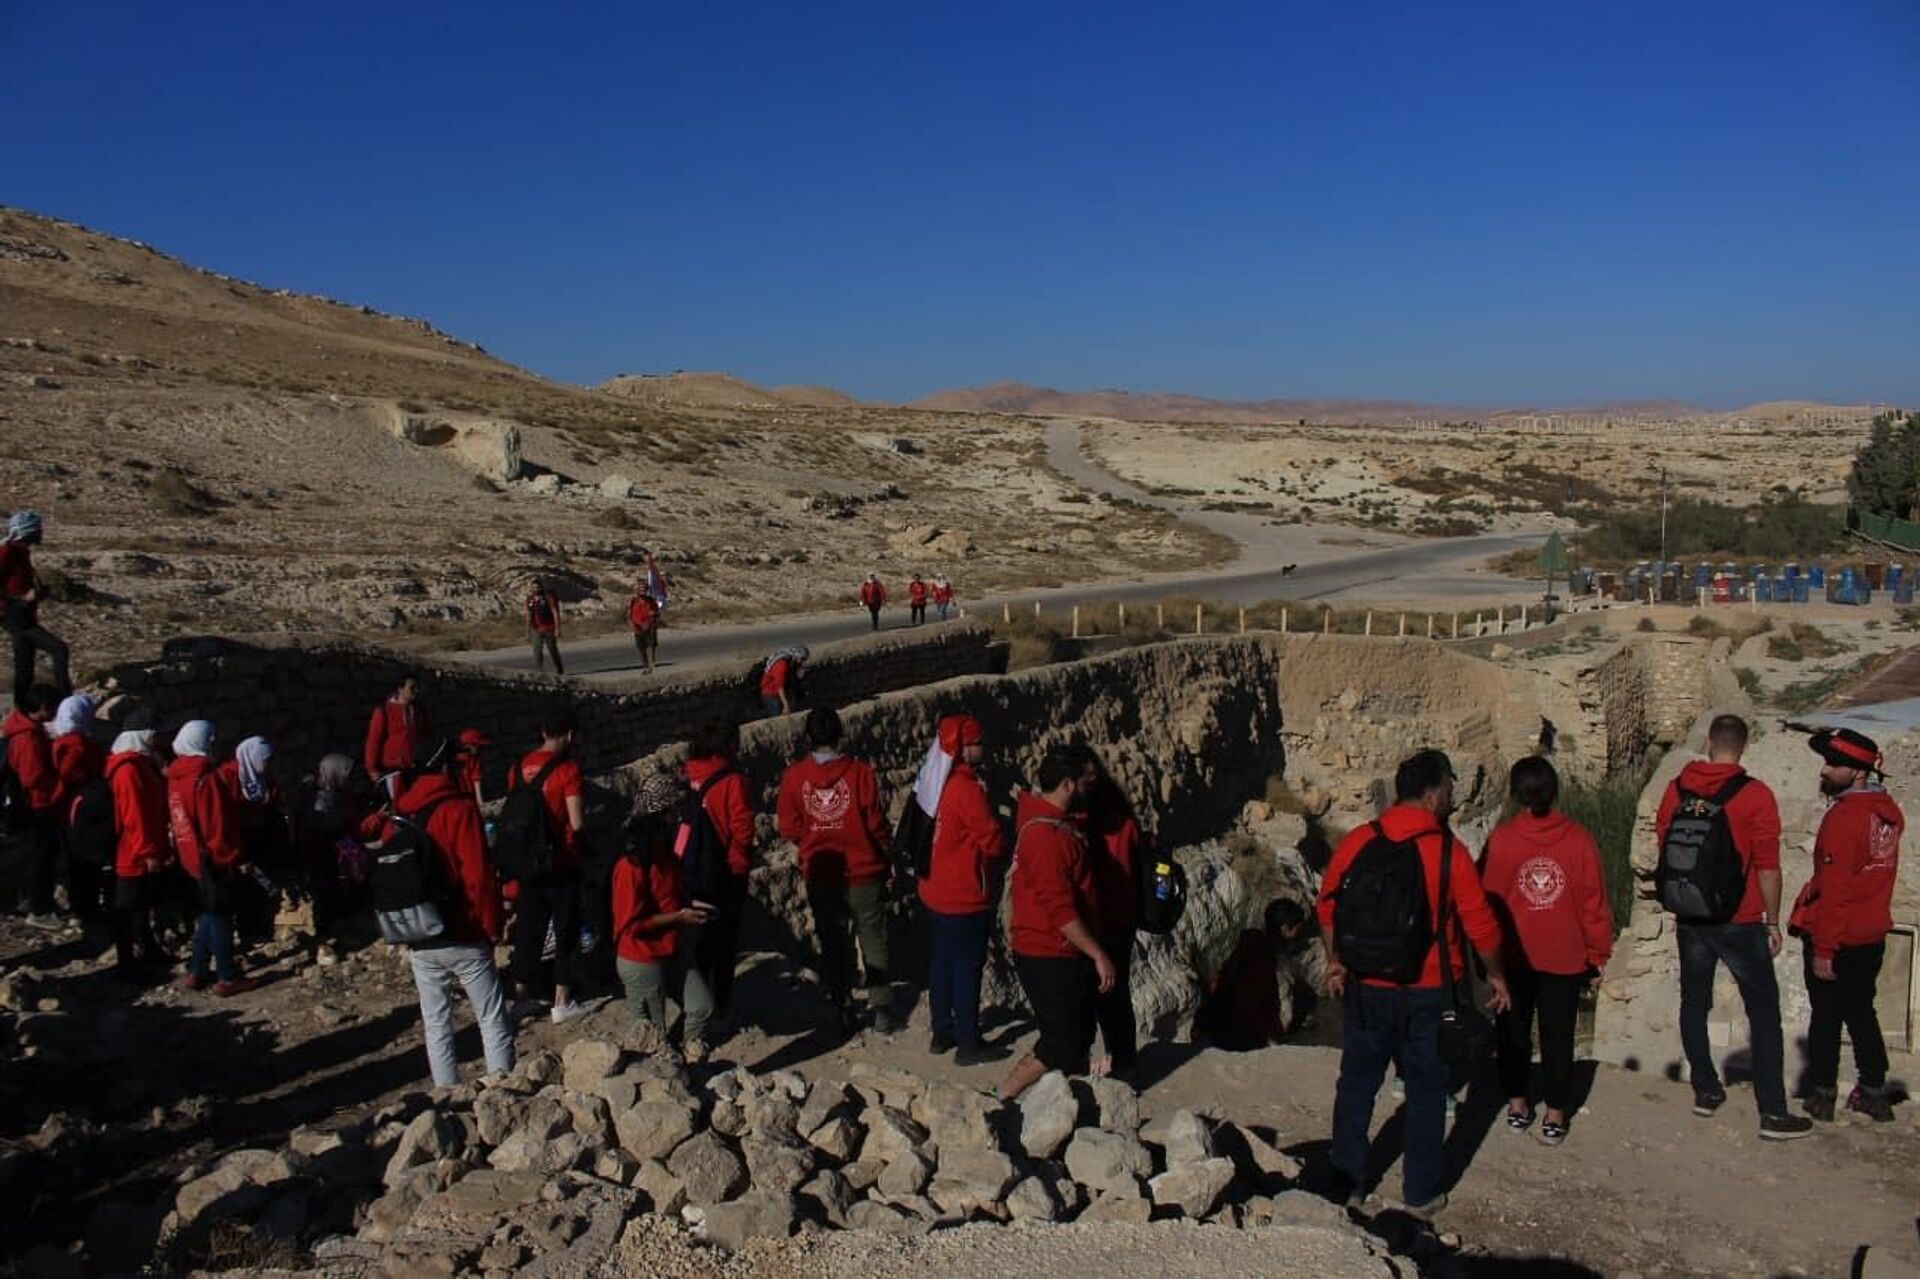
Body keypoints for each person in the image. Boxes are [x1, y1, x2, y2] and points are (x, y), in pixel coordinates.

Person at [1316, 748, 1511, 1218]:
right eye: (1448, 786)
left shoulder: (1360, 840)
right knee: (1426, 1089)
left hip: (1366, 987)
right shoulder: (1446, 851)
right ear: (1430, 794)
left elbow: (1327, 905)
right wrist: (1497, 976)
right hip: (1430, 993)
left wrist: (1335, 960)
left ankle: (1347, 1183)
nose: (1452, 795)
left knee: (1357, 1083)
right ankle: (1420, 1192)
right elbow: (1480, 926)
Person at [1653, 714, 1812, 1140]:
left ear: (1708, 742)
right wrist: (1772, 921)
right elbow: (1768, 866)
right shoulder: (1756, 795)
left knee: (1694, 1003)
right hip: (1739, 920)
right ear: (1744, 747)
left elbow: (1664, 844)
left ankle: (1705, 1089)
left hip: (1690, 917)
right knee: (1762, 1013)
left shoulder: (1676, 789)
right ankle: (1773, 1112)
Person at [1480, 756, 1613, 1146]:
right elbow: (1594, 904)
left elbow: (1487, 901)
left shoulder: (1502, 840)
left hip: (1514, 957)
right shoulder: (1580, 840)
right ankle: (1555, 1113)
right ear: (1555, 791)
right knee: (1559, 1037)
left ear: (1515, 794)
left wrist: (1486, 959)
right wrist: (1598, 953)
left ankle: (1518, 1103)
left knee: (1512, 1032)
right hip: (1565, 956)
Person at [1791, 728, 1905, 1123]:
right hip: (1871, 932)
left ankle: (1823, 1092)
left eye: (1833, 764)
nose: (1824, 770)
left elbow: (1836, 890)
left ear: (1857, 772)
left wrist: (1824, 949)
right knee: (1862, 1012)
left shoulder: (1844, 819)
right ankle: (1874, 1090)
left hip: (1837, 935)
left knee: (1825, 1016)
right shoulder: (1886, 814)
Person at [390, 738, 516, 1087]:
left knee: (436, 1022)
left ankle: (446, 1095)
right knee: (491, 1016)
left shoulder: (402, 815)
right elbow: (477, 875)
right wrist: (493, 925)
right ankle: (501, 1093)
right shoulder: (458, 809)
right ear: (444, 768)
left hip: (418, 931)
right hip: (462, 930)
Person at [1001, 744, 1116, 1099]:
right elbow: (1060, 910)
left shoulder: (1058, 826)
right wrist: (1098, 954)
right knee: (1060, 1040)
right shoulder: (1045, 837)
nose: (1089, 791)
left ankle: (1065, 1100)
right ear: (1068, 784)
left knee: (1079, 1034)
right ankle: (1004, 1094)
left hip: (1064, 949)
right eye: (1085, 783)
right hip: (1047, 950)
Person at [777, 707, 896, 1035]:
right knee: (872, 937)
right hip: (863, 869)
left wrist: (814, 838)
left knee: (833, 940)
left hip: (820, 871)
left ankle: (842, 1004)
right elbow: (876, 823)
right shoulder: (860, 773)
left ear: (808, 738)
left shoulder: (794, 778)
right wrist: (888, 853)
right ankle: (882, 1005)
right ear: (840, 734)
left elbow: (788, 826)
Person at [915, 713, 1006, 1065]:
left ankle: (942, 1031)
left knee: (942, 962)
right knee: (967, 967)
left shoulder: (933, 783)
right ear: (964, 749)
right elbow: (992, 841)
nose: (982, 747)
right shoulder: (966, 790)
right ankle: (969, 1042)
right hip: (963, 894)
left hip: (934, 889)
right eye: (977, 742)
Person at [511, 704, 591, 1023]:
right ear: (570, 735)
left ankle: (520, 995)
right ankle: (562, 999)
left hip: (527, 863)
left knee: (528, 927)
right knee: (565, 928)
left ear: (543, 732)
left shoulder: (518, 767)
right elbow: (577, 822)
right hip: (561, 861)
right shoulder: (567, 770)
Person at [168, 721, 260, 996]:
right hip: (213, 858)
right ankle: (227, 976)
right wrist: (234, 857)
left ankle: (197, 970)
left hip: (190, 854)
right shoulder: (206, 780)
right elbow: (217, 826)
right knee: (221, 915)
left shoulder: (175, 776)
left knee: (208, 912)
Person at [613, 773, 708, 1036]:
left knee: (701, 1006)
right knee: (652, 1035)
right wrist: (679, 917)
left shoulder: (664, 853)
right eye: (674, 811)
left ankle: (687, 1058)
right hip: (641, 957)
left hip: (670, 948)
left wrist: (692, 906)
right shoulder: (630, 867)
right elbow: (632, 925)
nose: (678, 817)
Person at [682, 719, 754, 1058]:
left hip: (690, 872)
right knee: (724, 943)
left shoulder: (688, 774)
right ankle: (720, 1008)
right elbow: (742, 830)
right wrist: (741, 861)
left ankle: (694, 1004)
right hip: (725, 873)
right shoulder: (732, 781)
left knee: (699, 942)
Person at [1077, 753, 1144, 1078]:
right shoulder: (1126, 824)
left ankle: (1100, 1061)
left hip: (1099, 920)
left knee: (1095, 994)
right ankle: (1124, 1061)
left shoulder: (1087, 829)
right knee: (1116, 996)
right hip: (1121, 919)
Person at [107, 724, 171, 981]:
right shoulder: (128, 771)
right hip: (132, 852)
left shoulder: (141, 764)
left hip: (142, 848)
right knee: (127, 905)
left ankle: (147, 949)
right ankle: (127, 962)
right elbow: (135, 816)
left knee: (142, 904)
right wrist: (148, 852)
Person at [296, 752, 372, 965]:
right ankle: (324, 943)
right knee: (324, 897)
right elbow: (323, 828)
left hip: (332, 856)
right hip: (319, 856)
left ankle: (341, 932)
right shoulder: (318, 798)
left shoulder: (334, 792)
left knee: (339, 893)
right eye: (345, 773)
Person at [221, 735, 291, 948]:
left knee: (261, 886)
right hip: (241, 839)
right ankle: (246, 932)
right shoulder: (230, 776)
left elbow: (276, 799)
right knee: (246, 887)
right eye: (265, 760)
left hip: (262, 837)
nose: (268, 764)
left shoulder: (264, 777)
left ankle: (259, 928)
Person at [6, 684, 63, 930]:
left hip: (34, 802)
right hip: (37, 803)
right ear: (41, 708)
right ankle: (40, 908)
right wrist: (58, 781)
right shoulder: (28, 738)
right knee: (40, 856)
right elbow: (32, 777)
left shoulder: (25, 730)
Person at [51, 693, 108, 926]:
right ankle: (87, 909)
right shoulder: (78, 745)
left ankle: (82, 906)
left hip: (68, 808)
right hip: (80, 808)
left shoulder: (59, 740)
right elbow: (69, 774)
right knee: (84, 862)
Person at [2, 511, 70, 707]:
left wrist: (37, 594)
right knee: (59, 649)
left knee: (25, 666)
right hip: (14, 615)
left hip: (24, 615)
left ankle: (22, 709)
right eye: (37, 529)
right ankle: (65, 702)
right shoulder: (8, 551)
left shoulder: (21, 551)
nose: (40, 533)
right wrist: (21, 597)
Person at [364, 672, 428, 800]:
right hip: (393, 770)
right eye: (412, 688)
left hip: (413, 769)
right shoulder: (385, 711)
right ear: (400, 689)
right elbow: (374, 741)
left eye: (417, 687)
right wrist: (372, 769)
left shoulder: (417, 712)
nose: (416, 691)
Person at [526, 577, 565, 676]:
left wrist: (557, 629)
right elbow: (528, 615)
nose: (535, 589)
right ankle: (540, 671)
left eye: (537, 587)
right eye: (533, 587)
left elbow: (555, 612)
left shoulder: (548, 598)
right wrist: (527, 631)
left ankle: (559, 668)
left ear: (541, 588)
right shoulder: (530, 600)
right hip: (536, 628)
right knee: (537, 650)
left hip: (549, 627)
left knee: (552, 649)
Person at [758, 646, 808, 717]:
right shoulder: (782, 665)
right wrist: (786, 705)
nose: (802, 662)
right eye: (802, 659)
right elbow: (780, 687)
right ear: (795, 656)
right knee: (777, 717)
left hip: (779, 691)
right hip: (770, 693)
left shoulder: (791, 662)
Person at [628, 581, 661, 675]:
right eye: (641, 590)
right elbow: (629, 615)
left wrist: (654, 614)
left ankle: (651, 666)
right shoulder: (633, 601)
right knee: (641, 648)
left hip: (649, 626)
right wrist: (633, 626)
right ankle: (645, 667)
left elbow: (658, 614)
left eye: (645, 589)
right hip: (638, 627)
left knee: (650, 647)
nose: (643, 591)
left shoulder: (651, 601)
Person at [452, 729, 489, 808]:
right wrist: (480, 803)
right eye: (478, 746)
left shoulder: (474, 758)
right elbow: (476, 781)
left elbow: (476, 780)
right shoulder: (455, 760)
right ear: (470, 745)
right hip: (460, 798)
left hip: (466, 798)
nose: (480, 748)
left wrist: (480, 804)